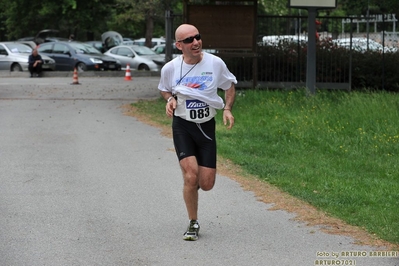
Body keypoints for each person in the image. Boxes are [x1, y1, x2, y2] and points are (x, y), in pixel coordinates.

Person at [158, 24, 236, 241]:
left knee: (206, 184)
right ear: (179, 45)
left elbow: (229, 86)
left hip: (206, 127)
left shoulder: (215, 63)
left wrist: (227, 109)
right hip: (183, 126)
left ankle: (193, 185)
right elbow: (164, 89)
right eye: (190, 40)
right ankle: (193, 222)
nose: (196, 42)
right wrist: (170, 99)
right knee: (191, 176)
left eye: (198, 37)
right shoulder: (170, 68)